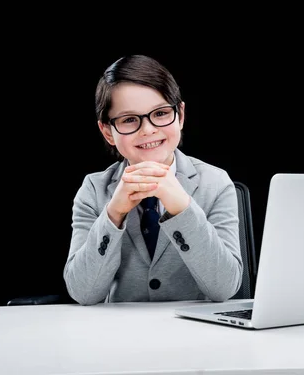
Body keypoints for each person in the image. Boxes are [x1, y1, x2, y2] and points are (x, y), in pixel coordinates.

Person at [63, 54, 243, 305]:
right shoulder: (94, 189)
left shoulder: (216, 183)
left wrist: (182, 207)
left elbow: (224, 288)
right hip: (118, 335)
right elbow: (83, 292)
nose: (148, 130)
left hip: (196, 333)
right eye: (129, 119)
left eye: (160, 113)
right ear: (107, 132)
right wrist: (114, 213)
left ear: (180, 115)